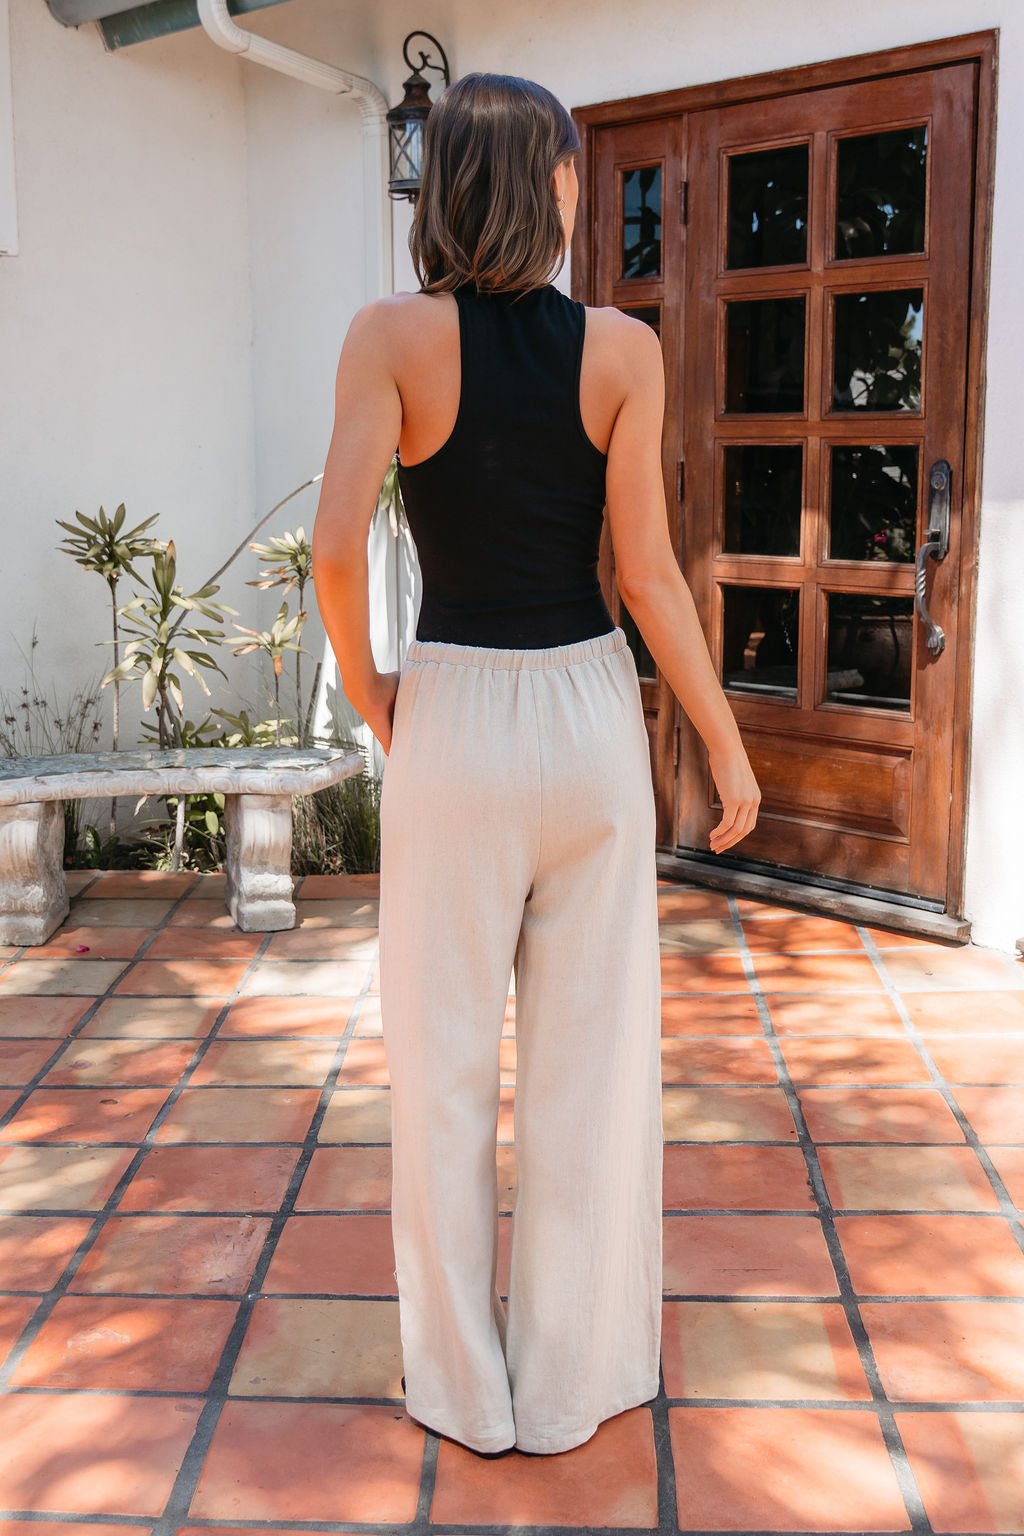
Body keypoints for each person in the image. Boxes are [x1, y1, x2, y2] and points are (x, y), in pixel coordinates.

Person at [311, 71, 760, 1458]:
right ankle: (573, 1384)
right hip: (585, 716)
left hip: (453, 708)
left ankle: (464, 1390)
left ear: (443, 186)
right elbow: (647, 580)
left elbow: (335, 556)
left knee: (443, 1069)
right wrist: (727, 750)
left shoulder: (387, 338)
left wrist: (382, 697)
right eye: (570, 170)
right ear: (554, 186)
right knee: (592, 1068)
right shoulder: (624, 351)